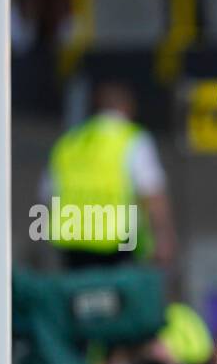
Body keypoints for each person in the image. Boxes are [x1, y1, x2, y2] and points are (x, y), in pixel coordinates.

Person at [40, 82, 177, 271]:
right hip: (117, 242)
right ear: (128, 108)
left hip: (72, 242)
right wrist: (163, 237)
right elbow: (151, 193)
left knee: (77, 297)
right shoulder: (131, 138)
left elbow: (47, 194)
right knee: (118, 297)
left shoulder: (69, 142)